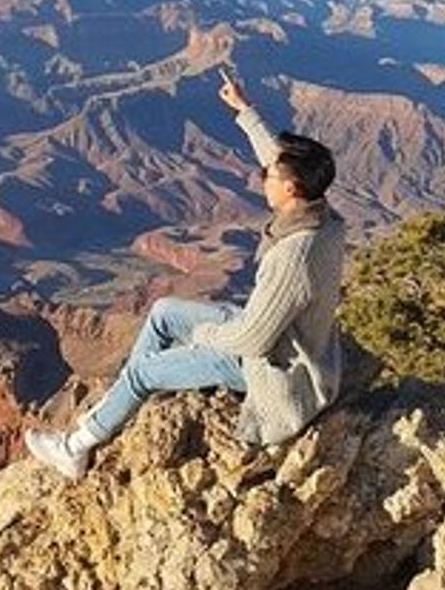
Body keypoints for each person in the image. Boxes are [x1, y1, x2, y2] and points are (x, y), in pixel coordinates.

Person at [23, 67, 346, 479]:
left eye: (271, 177)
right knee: (163, 312)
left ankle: (77, 446)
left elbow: (252, 339)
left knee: (145, 368)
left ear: (291, 190)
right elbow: (276, 159)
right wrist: (244, 110)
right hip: (285, 341)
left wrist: (200, 338)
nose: (263, 177)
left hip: (276, 370)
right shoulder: (324, 215)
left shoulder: (294, 256)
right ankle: (126, 403)